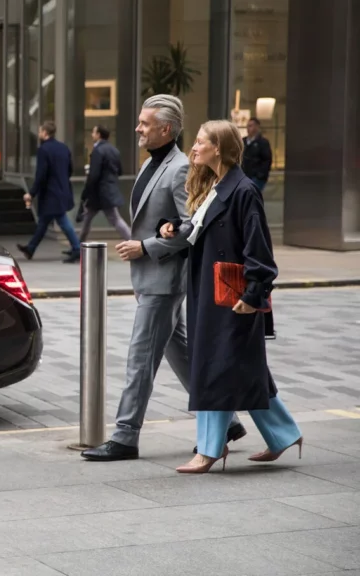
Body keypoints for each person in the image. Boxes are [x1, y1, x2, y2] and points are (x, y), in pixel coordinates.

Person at [81, 95, 245, 463]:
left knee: (139, 359)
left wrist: (147, 247)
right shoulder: (150, 164)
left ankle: (124, 437)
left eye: (144, 123)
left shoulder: (179, 169)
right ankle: (228, 421)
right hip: (151, 278)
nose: (138, 128)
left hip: (164, 280)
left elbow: (192, 227)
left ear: (165, 129)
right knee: (184, 355)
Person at [159, 119, 300, 473]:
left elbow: (260, 251)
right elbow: (202, 229)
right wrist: (176, 226)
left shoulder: (243, 190)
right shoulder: (217, 186)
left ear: (218, 148)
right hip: (211, 293)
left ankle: (209, 449)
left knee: (214, 368)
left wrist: (253, 294)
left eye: (201, 142)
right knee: (242, 369)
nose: (193, 148)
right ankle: (284, 434)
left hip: (232, 298)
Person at [16, 121, 81, 264]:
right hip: (62, 189)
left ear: (45, 133)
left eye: (40, 131)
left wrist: (31, 193)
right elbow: (70, 169)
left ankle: (77, 249)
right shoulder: (63, 147)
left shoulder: (44, 150)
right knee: (44, 222)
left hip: (51, 193)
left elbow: (41, 175)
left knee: (63, 221)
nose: (39, 134)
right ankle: (31, 248)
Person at [76, 125, 132, 245]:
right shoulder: (114, 150)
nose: (92, 134)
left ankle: (134, 242)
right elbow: (120, 171)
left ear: (98, 135)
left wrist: (86, 192)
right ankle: (77, 247)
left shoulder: (98, 151)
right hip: (108, 191)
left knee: (114, 220)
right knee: (88, 218)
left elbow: (94, 175)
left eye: (93, 132)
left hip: (99, 193)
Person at [241, 117, 272, 193]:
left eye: (251, 126)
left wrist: (260, 175)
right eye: (248, 126)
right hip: (244, 176)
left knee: (252, 196)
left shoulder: (263, 142)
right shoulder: (243, 141)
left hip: (256, 178)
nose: (248, 128)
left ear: (257, 127)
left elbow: (267, 160)